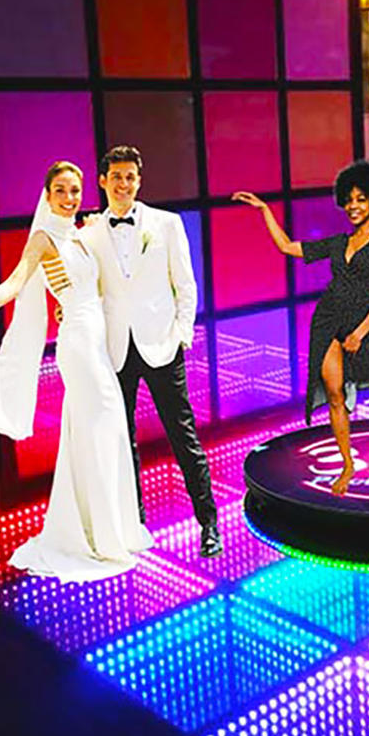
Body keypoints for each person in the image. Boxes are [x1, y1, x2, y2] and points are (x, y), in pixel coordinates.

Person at [0, 162, 153, 581]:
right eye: (61, 191)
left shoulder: (81, 234)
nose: (69, 198)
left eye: (75, 190)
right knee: (100, 426)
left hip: (97, 341)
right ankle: (100, 538)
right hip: (79, 347)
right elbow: (16, 282)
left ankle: (108, 530)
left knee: (103, 431)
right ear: (47, 195)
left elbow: (94, 287)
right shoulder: (43, 238)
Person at [232, 160, 369, 497]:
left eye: (361, 199)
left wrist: (360, 334)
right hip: (328, 322)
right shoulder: (338, 243)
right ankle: (347, 464)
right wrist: (264, 210)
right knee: (335, 397)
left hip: (364, 328)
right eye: (348, 200)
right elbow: (288, 247)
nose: (353, 206)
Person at [79, 146, 221, 557]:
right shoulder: (88, 233)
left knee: (183, 435)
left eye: (130, 177)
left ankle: (209, 523)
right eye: (116, 177)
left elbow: (186, 284)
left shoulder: (166, 224)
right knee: (121, 441)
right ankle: (133, 525)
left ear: (139, 181)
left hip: (161, 344)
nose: (123, 184)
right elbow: (88, 287)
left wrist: (181, 334)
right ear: (103, 181)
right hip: (114, 348)